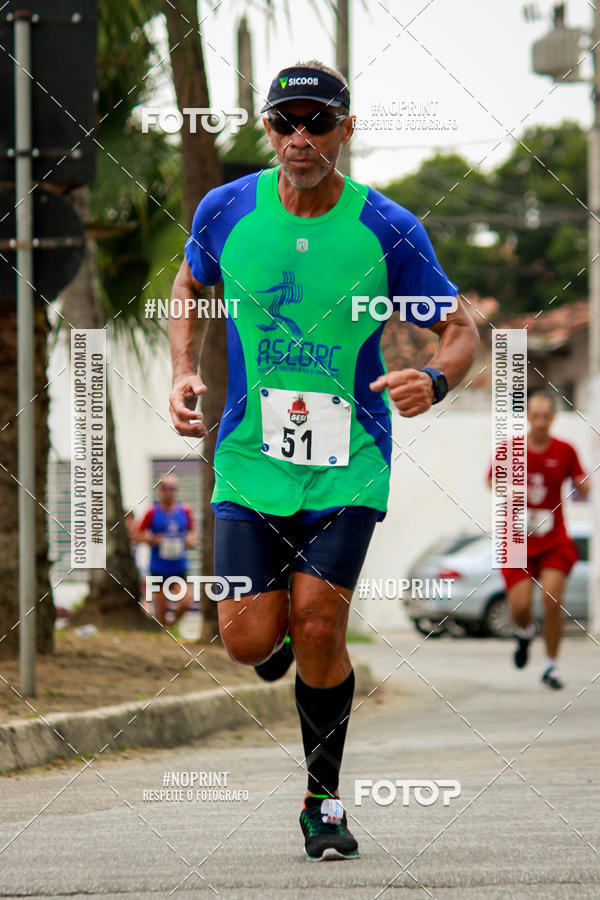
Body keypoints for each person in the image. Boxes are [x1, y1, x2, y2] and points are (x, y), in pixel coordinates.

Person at [168, 60, 478, 860]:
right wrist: (182, 371)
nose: (300, 138)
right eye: (284, 122)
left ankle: (323, 802)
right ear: (267, 130)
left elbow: (462, 327)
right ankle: (273, 648)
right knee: (244, 639)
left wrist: (436, 379)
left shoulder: (389, 228)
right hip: (248, 454)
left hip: (349, 461)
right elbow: (188, 286)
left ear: (346, 128)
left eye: (317, 122)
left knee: (317, 622)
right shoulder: (226, 208)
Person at [487, 389, 589, 689]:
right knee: (518, 607)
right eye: (536, 416)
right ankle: (525, 631)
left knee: (552, 598)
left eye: (546, 416)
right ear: (527, 417)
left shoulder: (565, 450)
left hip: (554, 539)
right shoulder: (511, 449)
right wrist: (508, 491)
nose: (541, 422)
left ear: (553, 418)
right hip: (518, 539)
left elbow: (581, 480)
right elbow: (492, 479)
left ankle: (551, 666)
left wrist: (584, 486)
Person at [134, 474, 197, 626]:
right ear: (160, 490)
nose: (169, 492)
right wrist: (151, 540)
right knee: (161, 611)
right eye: (165, 488)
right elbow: (136, 534)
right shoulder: (152, 512)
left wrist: (190, 540)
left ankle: (172, 625)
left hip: (179, 567)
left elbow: (193, 531)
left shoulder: (185, 511)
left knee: (186, 602)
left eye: (172, 488)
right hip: (159, 569)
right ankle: (166, 634)